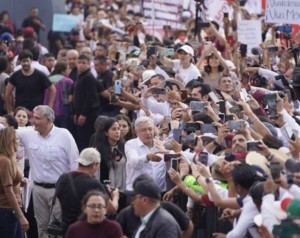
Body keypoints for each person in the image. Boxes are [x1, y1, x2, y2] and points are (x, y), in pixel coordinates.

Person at [17, 105, 79, 238]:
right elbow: (6, 133)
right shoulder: (28, 133)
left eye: (37, 118)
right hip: (38, 190)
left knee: (58, 229)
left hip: (59, 190)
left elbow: (74, 163)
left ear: (49, 120)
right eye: (33, 117)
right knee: (42, 228)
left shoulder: (64, 135)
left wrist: (73, 190)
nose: (33, 121)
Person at [56, 147, 119, 235]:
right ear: (94, 165)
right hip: (86, 231)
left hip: (66, 230)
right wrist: (115, 196)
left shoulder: (63, 178)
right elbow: (110, 209)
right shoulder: (94, 184)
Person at [5, 49, 56, 114]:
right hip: (20, 112)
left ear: (31, 61)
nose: (26, 63)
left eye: (27, 61)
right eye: (23, 61)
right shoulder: (15, 75)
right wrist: (9, 110)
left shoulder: (40, 75)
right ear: (20, 61)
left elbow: (53, 90)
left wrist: (49, 107)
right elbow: (7, 94)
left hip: (37, 112)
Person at [0, 127, 29, 238]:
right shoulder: (4, 160)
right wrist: (21, 216)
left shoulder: (10, 158)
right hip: (7, 209)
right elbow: (8, 190)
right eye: (16, 139)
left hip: (12, 208)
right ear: (9, 141)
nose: (18, 141)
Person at [125, 116, 167, 191]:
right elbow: (134, 163)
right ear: (136, 132)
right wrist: (147, 157)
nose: (148, 133)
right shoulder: (131, 144)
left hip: (159, 192)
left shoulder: (161, 145)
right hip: (137, 193)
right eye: (144, 130)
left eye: (150, 129)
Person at [90, 118, 126, 191]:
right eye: (114, 129)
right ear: (106, 132)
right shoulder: (97, 152)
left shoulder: (125, 148)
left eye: (118, 129)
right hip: (105, 191)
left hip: (122, 191)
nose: (117, 132)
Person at [73, 54, 100, 151]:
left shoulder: (88, 77)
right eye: (79, 62)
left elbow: (90, 97)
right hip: (80, 113)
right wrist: (76, 113)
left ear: (89, 64)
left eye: (83, 63)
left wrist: (83, 114)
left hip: (88, 115)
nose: (80, 65)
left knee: (86, 140)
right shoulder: (81, 76)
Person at [44, 60, 73, 128]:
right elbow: (71, 97)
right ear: (63, 71)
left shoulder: (48, 79)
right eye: (68, 69)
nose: (69, 71)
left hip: (48, 110)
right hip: (63, 111)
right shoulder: (68, 81)